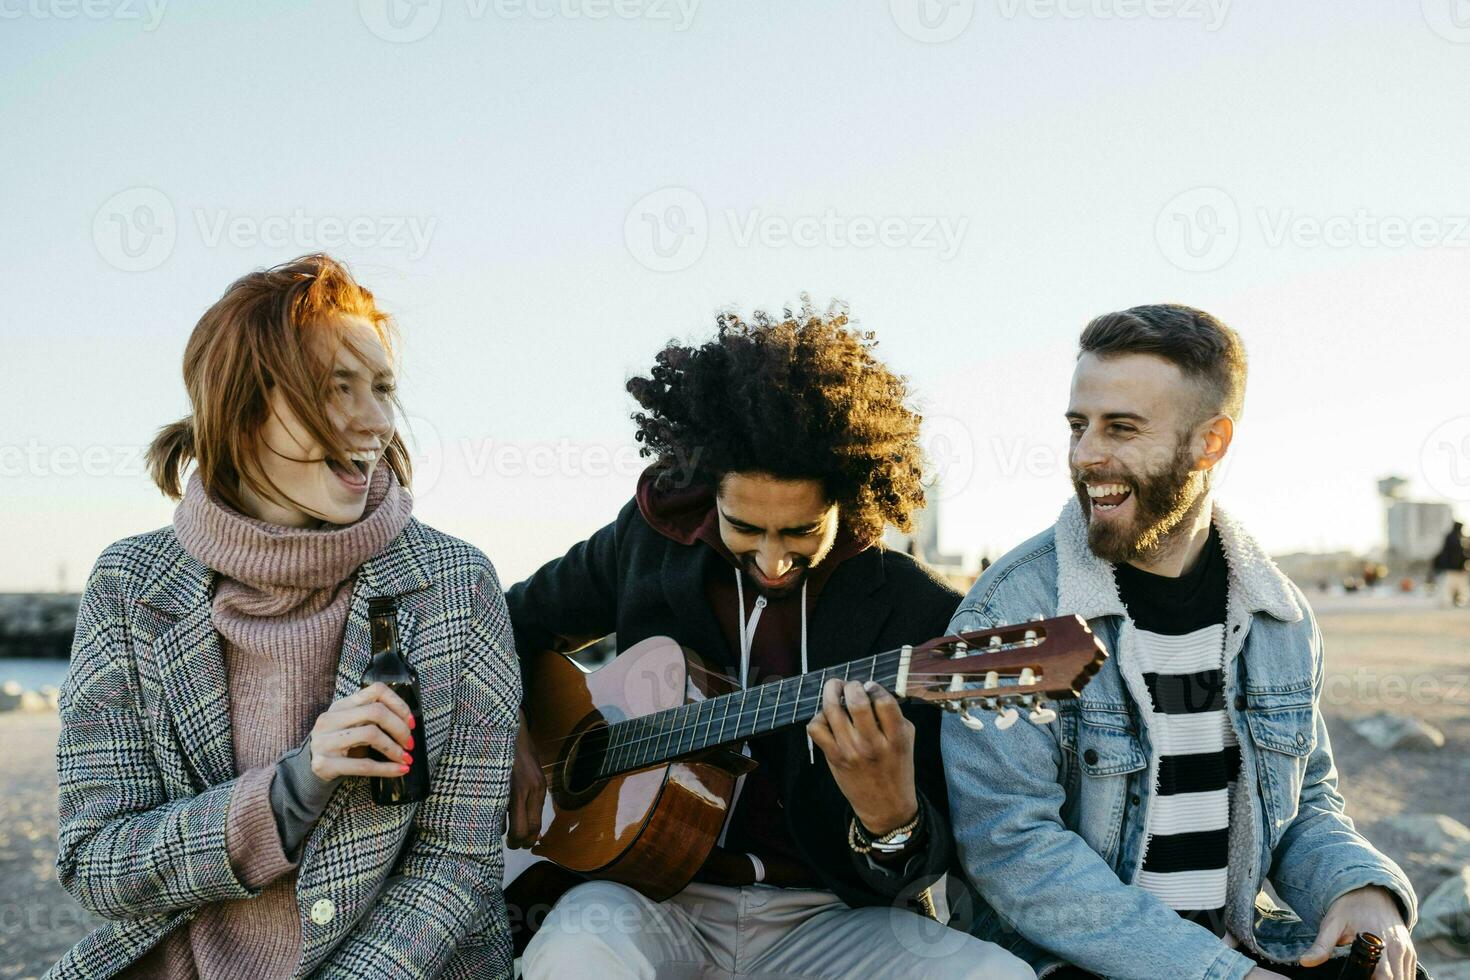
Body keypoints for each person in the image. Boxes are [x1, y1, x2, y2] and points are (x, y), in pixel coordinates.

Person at [506, 302, 1033, 978]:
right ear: (709, 493)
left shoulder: (917, 614)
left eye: (799, 532)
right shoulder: (649, 544)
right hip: (643, 898)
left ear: (851, 498)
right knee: (574, 959)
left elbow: (921, 870)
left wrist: (891, 818)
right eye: (745, 528)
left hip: (827, 913)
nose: (773, 559)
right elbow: (503, 624)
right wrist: (514, 729)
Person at [48, 255, 519, 980]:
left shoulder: (455, 585)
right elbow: (97, 864)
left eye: (383, 389)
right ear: (242, 411)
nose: (376, 423)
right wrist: (288, 791)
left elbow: (458, 864)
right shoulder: (129, 586)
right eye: (338, 391)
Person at [941, 305, 1419, 979]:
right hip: (1065, 963)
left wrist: (1358, 887)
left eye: (1120, 428)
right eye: (1078, 426)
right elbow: (1011, 848)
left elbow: (1305, 801)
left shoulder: (1277, 616)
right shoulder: (1007, 612)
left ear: (1211, 442)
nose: (1085, 455)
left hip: (1238, 946)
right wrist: (1211, 972)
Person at [1432, 521, 1467, 608]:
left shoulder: (1455, 538)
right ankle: (1446, 602)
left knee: (1458, 587)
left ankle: (1452, 602)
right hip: (1452, 570)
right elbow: (1453, 555)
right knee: (1449, 587)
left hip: (1455, 569)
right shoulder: (1453, 539)